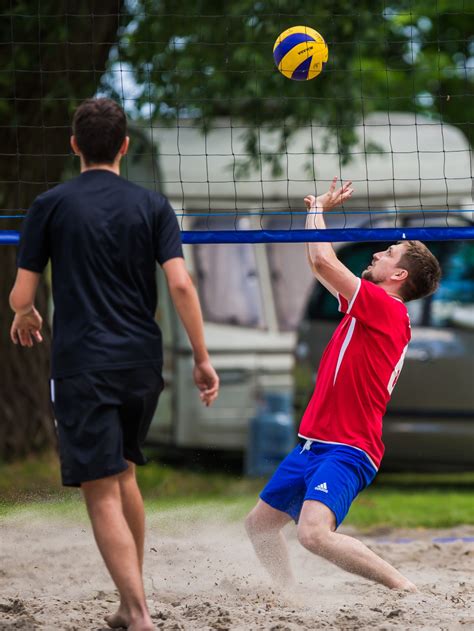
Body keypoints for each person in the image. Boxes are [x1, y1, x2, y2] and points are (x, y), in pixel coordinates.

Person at [9, 98, 219, 631]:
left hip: (84, 362)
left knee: (100, 486)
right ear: (124, 146)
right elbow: (180, 283)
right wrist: (201, 357)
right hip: (142, 363)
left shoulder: (50, 204)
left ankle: (139, 613)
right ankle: (131, 602)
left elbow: (21, 293)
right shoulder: (154, 206)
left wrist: (26, 312)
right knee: (123, 470)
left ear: (74, 145)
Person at [245, 177, 441, 592]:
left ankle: (403, 587)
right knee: (260, 527)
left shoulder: (387, 309)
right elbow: (321, 265)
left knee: (313, 534)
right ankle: (289, 596)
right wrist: (316, 214)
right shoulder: (368, 308)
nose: (377, 253)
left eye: (388, 253)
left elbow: (321, 262)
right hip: (314, 442)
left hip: (349, 446)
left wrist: (317, 210)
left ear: (399, 274)